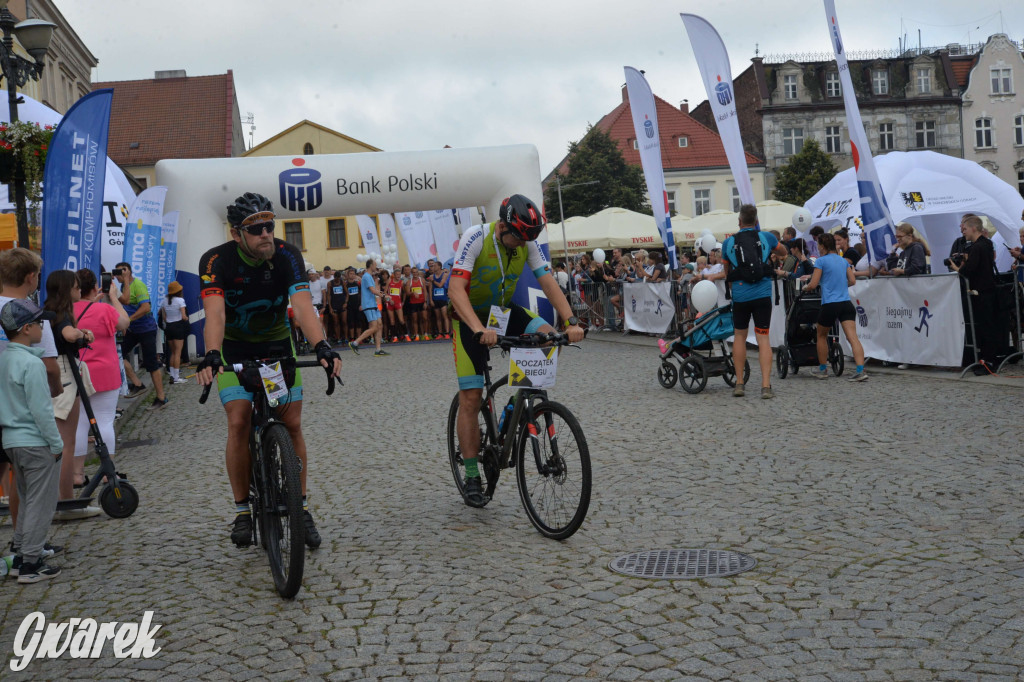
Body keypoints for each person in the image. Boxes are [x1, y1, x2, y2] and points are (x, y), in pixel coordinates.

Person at [195, 192, 342, 549]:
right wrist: (212, 353)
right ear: (236, 234)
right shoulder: (215, 260)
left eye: (269, 225)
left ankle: (300, 507)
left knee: (290, 424)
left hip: (276, 347)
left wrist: (321, 345)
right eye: (256, 228)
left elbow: (304, 307)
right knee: (239, 421)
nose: (266, 233)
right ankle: (243, 509)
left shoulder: (288, 254)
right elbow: (215, 313)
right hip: (234, 349)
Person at [448, 194, 585, 508]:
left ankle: (519, 401)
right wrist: (479, 330)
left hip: (502, 312)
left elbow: (548, 281)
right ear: (503, 226)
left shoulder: (527, 242)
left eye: (527, 240)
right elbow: (456, 289)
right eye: (517, 238)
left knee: (551, 337)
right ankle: (471, 474)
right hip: (468, 317)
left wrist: (571, 320)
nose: (520, 245)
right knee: (471, 396)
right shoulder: (476, 237)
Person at [0, 299, 64, 583]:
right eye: (39, 323)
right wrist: (56, 444)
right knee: (41, 502)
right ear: (26, 329)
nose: (42, 327)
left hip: (11, 440)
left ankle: (20, 556)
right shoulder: (32, 363)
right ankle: (31, 563)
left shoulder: (4, 359)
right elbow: (41, 410)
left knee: (27, 499)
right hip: (36, 441)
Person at [43, 270, 101, 512]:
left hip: (57, 370)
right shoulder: (63, 315)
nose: (80, 290)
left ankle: (62, 497)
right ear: (67, 289)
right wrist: (84, 334)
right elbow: (68, 333)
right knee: (67, 443)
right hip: (66, 372)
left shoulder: (47, 310)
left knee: (60, 442)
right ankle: (66, 500)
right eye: (77, 287)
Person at [721, 204, 788, 399]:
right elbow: (783, 252)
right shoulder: (766, 237)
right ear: (757, 222)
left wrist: (735, 288)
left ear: (739, 221)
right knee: (763, 338)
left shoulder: (729, 242)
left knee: (739, 337)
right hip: (762, 294)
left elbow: (727, 272)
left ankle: (739, 383)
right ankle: (766, 386)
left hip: (741, 295)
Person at [73, 268, 130, 489]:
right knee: (105, 420)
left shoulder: (67, 310)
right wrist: (113, 297)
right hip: (105, 373)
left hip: (78, 372)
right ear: (96, 287)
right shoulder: (104, 309)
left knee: (79, 424)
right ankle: (108, 472)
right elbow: (124, 323)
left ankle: (77, 474)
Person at [804, 233, 868, 382]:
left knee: (821, 335)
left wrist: (806, 287)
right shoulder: (842, 260)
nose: (818, 248)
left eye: (819, 245)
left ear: (823, 246)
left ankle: (823, 369)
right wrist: (839, 285)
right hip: (846, 303)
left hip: (830, 304)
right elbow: (852, 281)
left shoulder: (820, 261)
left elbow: (813, 284)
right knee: (853, 337)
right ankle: (860, 370)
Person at [948, 215, 998, 374]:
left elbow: (968, 270)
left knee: (985, 328)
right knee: (986, 327)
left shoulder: (977, 247)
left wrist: (955, 267)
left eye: (965, 228)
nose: (963, 232)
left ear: (973, 228)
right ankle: (986, 360)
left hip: (981, 292)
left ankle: (988, 362)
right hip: (987, 290)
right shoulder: (987, 243)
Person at [115, 262, 168, 409]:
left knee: (151, 364)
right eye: (116, 273)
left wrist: (128, 320)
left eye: (120, 272)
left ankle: (161, 398)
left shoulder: (138, 285)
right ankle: (138, 384)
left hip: (146, 329)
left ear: (128, 272)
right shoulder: (122, 287)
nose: (117, 276)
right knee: (116, 354)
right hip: (132, 330)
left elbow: (146, 307)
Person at [350, 259, 388, 356]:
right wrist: (383, 296)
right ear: (371, 265)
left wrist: (383, 294)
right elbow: (372, 290)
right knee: (374, 327)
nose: (376, 266)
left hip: (373, 305)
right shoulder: (366, 276)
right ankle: (355, 343)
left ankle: (378, 349)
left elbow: (374, 290)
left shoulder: (369, 276)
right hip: (369, 305)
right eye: (375, 265)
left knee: (379, 325)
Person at [160, 281, 189, 384]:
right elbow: (183, 316)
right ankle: (176, 377)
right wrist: (186, 318)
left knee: (172, 352)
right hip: (178, 327)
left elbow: (164, 317)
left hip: (168, 327)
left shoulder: (164, 300)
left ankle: (172, 375)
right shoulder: (180, 300)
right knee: (178, 353)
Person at [430, 260, 451, 339]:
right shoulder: (432, 276)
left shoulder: (444, 275)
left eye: (435, 266)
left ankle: (447, 333)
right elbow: (430, 288)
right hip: (435, 298)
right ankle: (440, 333)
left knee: (444, 316)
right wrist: (431, 300)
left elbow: (440, 285)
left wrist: (433, 281)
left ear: (439, 267)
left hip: (443, 298)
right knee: (438, 317)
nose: (433, 267)